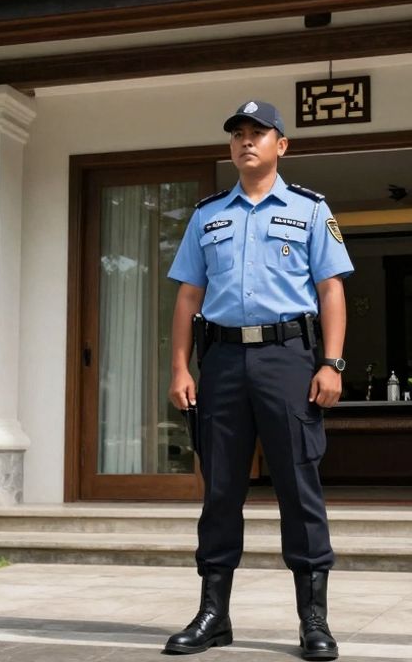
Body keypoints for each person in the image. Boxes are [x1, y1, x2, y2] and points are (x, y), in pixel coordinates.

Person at [164, 100, 352, 660]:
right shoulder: (207, 216)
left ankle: (313, 620)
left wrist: (332, 362)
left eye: (258, 133)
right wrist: (179, 367)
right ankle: (213, 615)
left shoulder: (311, 210)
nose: (247, 142)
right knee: (220, 487)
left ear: (281, 145)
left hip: (289, 358)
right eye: (238, 135)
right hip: (220, 362)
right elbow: (188, 296)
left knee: (299, 486)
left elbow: (331, 291)